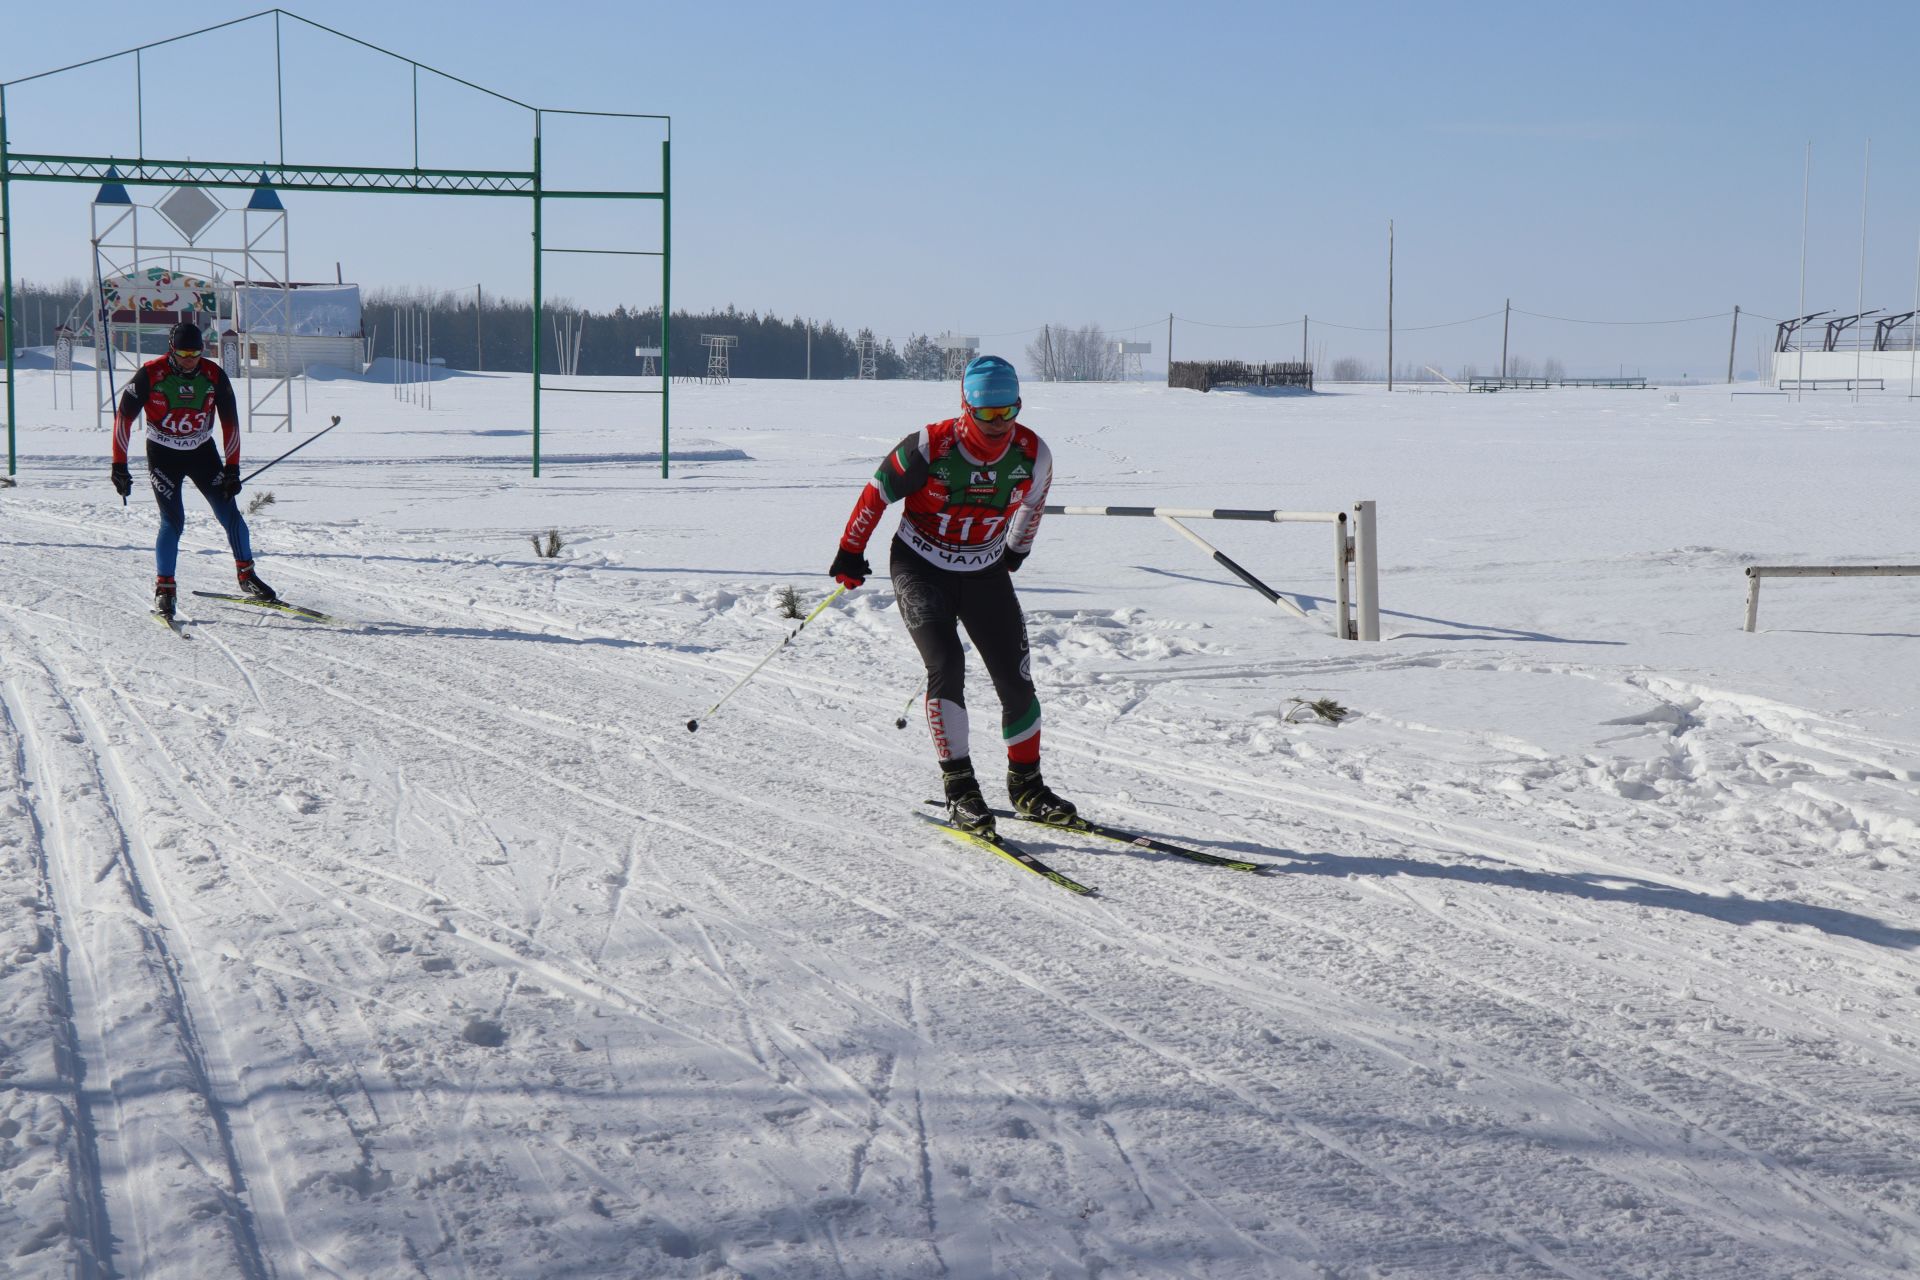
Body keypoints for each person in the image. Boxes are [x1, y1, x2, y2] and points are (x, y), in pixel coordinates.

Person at [831, 354, 1075, 837]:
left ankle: (1026, 785)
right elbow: (877, 492)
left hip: (984, 570)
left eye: (1009, 412)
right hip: (921, 566)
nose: (999, 424)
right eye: (987, 414)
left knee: (1016, 676)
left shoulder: (1033, 453)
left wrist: (1015, 552)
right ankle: (960, 789)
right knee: (947, 664)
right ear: (967, 407)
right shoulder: (930, 445)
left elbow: (1033, 504)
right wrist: (849, 551)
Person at [110, 320, 275, 618]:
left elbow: (231, 426)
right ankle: (165, 589)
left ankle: (246, 576)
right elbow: (123, 421)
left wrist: (233, 469)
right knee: (173, 522)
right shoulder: (150, 374)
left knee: (229, 513)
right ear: (172, 350)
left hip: (201, 452)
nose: (190, 360)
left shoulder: (213, 375)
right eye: (184, 353)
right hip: (163, 454)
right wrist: (119, 465)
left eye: (195, 353)